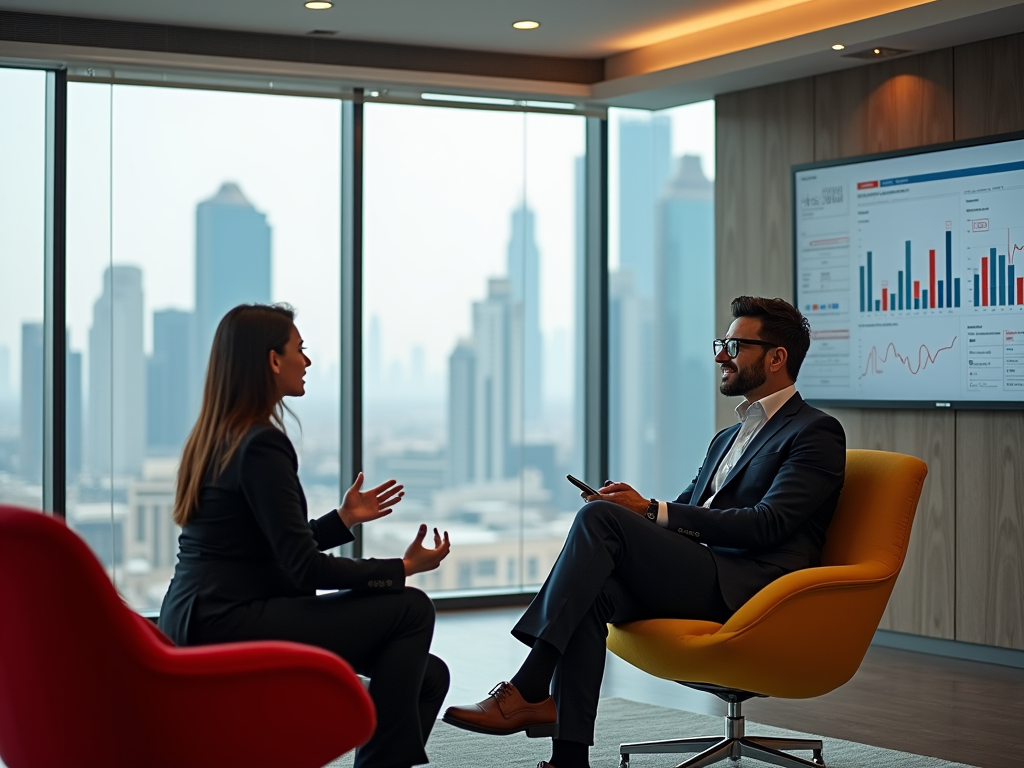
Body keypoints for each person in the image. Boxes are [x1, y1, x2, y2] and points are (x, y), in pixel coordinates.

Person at [442, 296, 846, 768]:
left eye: (734, 346)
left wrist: (645, 511)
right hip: (702, 571)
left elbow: (768, 524)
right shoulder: (727, 438)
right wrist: (634, 513)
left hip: (750, 586)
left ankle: (531, 686)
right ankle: (569, 759)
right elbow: (687, 508)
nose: (720, 356)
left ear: (777, 358)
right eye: (722, 344)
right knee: (595, 589)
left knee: (599, 521)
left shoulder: (815, 432)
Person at [158, 303, 452, 768]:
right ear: (273, 360)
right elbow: (303, 567)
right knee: (412, 608)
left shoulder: (217, 436)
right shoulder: (261, 444)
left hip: (193, 617)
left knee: (429, 676)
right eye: (301, 349)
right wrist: (402, 569)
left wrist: (342, 520)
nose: (308, 362)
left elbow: (267, 547)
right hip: (229, 621)